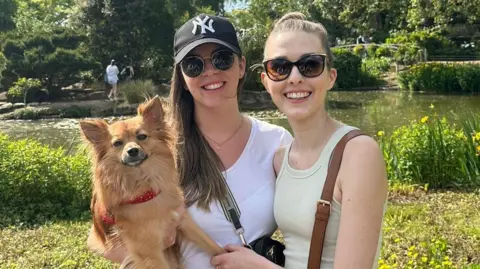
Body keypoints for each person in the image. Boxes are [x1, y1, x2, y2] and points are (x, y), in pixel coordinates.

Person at [87, 14, 292, 269]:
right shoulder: (156, 146)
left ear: (241, 66)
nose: (210, 71)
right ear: (182, 77)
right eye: (194, 64)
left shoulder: (278, 141)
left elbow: (304, 235)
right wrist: (153, 244)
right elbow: (100, 239)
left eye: (222, 59)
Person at [211, 12, 388, 269]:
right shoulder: (280, 159)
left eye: (310, 65)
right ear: (266, 81)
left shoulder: (358, 153)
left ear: (330, 76)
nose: (295, 77)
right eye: (279, 68)